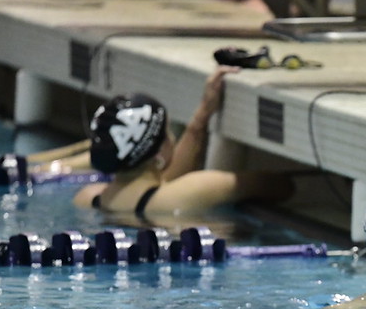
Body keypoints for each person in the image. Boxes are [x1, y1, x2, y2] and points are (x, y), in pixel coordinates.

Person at [73, 66, 295, 220]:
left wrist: (201, 118)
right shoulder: (195, 190)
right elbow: (282, 187)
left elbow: (158, 186)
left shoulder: (88, 197)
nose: (172, 139)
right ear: (159, 152)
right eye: (168, 133)